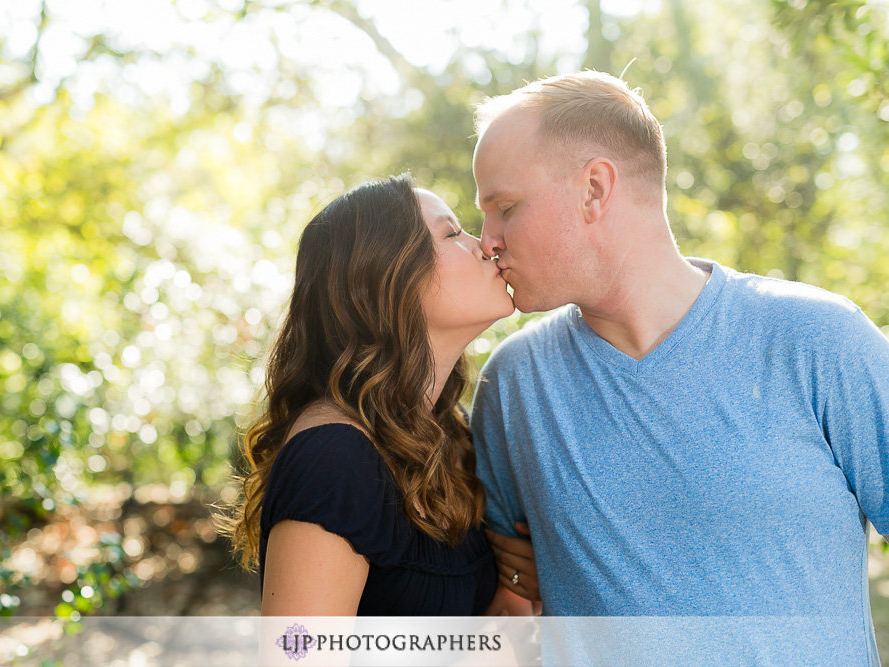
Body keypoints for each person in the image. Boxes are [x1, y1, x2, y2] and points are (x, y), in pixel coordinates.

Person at [470, 71, 889, 662]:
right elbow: (509, 606)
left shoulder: (818, 340)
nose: (486, 240)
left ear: (594, 188)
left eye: (505, 207)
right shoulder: (515, 386)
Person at [221, 173, 537, 616]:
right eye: (452, 233)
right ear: (386, 279)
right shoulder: (333, 460)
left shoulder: (450, 434)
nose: (485, 245)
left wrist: (516, 585)